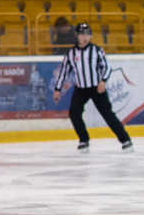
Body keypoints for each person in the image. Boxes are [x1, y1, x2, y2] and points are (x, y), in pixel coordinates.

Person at [53, 23, 133, 153]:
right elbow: (64, 72)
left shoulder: (97, 50)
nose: (84, 37)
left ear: (90, 36)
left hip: (97, 88)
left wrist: (103, 81)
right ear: (77, 36)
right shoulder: (70, 54)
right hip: (81, 90)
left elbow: (107, 67)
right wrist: (57, 89)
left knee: (108, 115)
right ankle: (83, 140)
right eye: (81, 34)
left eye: (87, 35)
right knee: (74, 113)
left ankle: (125, 140)